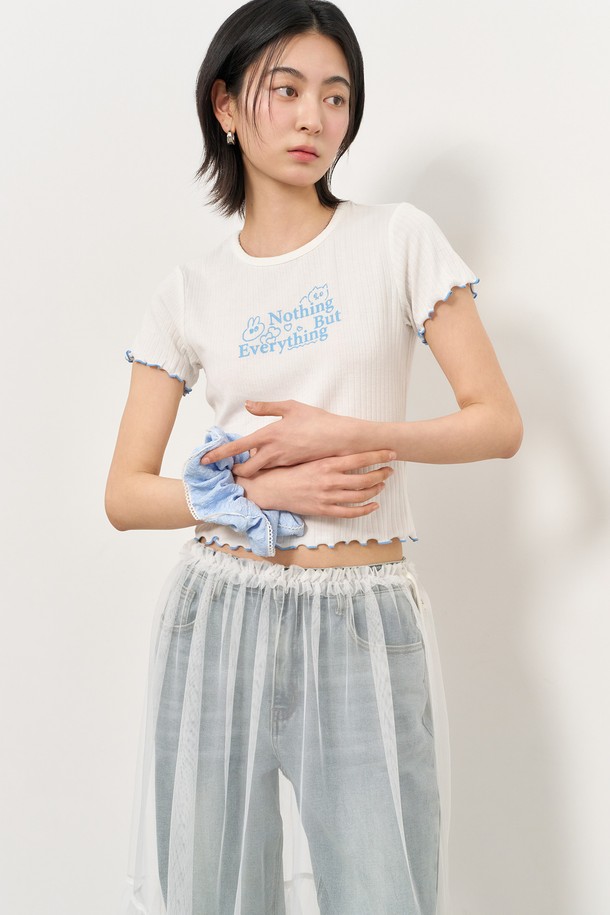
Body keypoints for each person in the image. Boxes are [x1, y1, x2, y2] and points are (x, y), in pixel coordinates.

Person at [106, 1, 523, 913]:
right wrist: (255, 494)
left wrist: (353, 434)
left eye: (336, 97)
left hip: (362, 620)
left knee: (383, 890)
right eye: (286, 90)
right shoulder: (190, 290)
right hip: (218, 618)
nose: (313, 118)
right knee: (214, 893)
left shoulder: (397, 239)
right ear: (225, 105)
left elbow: (497, 422)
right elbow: (125, 494)